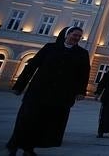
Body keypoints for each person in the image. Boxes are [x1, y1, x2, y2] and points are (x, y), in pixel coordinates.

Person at [7, 26, 90, 156]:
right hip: (38, 91)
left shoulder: (82, 54)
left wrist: (81, 91)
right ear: (67, 34)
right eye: (75, 35)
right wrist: (19, 86)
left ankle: (29, 148)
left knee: (43, 123)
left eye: (79, 36)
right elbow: (32, 66)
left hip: (60, 95)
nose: (77, 38)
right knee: (26, 120)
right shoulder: (50, 48)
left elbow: (83, 75)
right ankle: (14, 145)